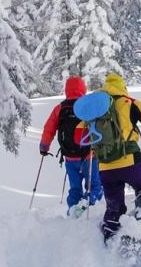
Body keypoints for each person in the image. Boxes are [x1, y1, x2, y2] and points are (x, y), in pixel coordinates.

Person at [76, 72, 141, 242]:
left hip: (106, 166)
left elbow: (78, 137)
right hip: (131, 161)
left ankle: (110, 234)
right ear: (123, 86)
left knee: (114, 204)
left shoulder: (95, 109)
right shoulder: (129, 102)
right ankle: (140, 221)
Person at [39, 76, 103, 215]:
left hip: (69, 157)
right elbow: (100, 126)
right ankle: (87, 207)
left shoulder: (60, 108)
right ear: (83, 89)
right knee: (94, 186)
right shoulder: (88, 106)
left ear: (67, 90)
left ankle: (73, 209)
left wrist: (44, 147)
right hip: (89, 155)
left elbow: (48, 129)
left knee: (75, 188)